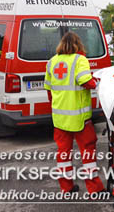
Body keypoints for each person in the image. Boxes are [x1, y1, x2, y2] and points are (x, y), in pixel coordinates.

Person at [44, 32, 105, 195]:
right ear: (78, 44)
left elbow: (49, 91)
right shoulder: (80, 60)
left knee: (63, 153)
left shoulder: (52, 62)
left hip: (60, 118)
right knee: (88, 153)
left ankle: (66, 187)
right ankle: (95, 189)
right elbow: (85, 81)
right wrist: (98, 84)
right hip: (79, 118)